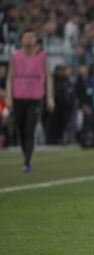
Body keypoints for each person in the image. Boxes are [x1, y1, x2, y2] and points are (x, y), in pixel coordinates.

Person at [5, 29, 54, 172]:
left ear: (35, 40)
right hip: (19, 98)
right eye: (26, 37)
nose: (28, 40)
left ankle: (27, 162)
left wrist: (50, 97)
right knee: (21, 130)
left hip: (35, 98)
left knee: (29, 129)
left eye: (31, 37)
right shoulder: (15, 56)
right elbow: (10, 77)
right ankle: (26, 157)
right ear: (21, 39)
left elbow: (48, 78)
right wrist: (8, 96)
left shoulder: (42, 56)